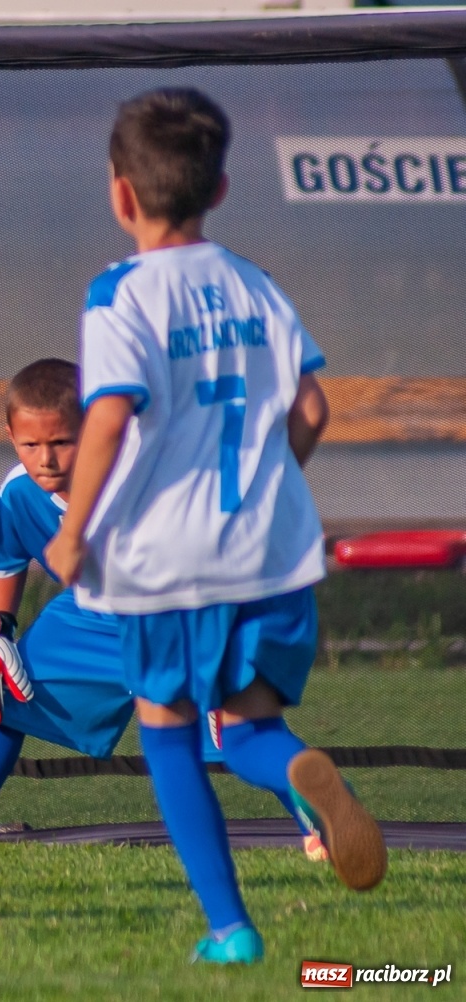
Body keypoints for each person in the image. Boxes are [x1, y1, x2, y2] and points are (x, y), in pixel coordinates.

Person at [43, 88, 386, 965]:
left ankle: (231, 931)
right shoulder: (256, 284)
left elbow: (112, 416)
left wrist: (74, 529)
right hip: (272, 550)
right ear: (221, 187)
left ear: (121, 194)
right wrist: (272, 483)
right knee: (252, 730)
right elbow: (310, 405)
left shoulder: (120, 293)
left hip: (170, 560)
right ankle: (307, 775)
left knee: (166, 728)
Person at [0, 359, 323, 863]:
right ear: (10, 436)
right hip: (93, 617)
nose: (45, 458)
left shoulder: (142, 479)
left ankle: (320, 822)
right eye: (30, 444)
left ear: (96, 426)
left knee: (241, 729)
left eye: (62, 441)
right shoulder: (18, 493)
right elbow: (6, 558)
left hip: (178, 619)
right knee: (0, 686)